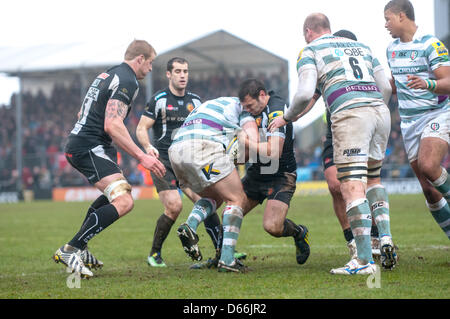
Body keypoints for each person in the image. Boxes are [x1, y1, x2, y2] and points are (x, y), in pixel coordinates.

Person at [269, 13, 396, 275]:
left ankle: (363, 261)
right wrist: (375, 107)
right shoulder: (363, 47)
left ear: (308, 31)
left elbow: (304, 93)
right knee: (373, 178)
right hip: (380, 113)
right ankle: (385, 239)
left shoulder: (310, 49)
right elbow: (384, 85)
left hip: (351, 114)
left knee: (350, 186)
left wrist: (286, 117)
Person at [52, 40, 166, 278]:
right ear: (140, 60)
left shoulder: (108, 74)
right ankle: (71, 249)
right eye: (151, 62)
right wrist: (141, 156)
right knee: (124, 201)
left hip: (87, 143)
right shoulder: (127, 80)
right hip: (89, 145)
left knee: (118, 192)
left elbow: (82, 112)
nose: (151, 68)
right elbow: (112, 123)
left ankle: (79, 249)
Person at [136, 57, 223, 267]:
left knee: (207, 201)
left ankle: (224, 249)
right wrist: (148, 147)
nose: (183, 75)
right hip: (164, 162)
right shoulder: (159, 99)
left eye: (185, 71)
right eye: (178, 71)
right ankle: (154, 254)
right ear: (168, 74)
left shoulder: (196, 101)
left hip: (188, 162)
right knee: (174, 206)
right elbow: (141, 128)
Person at [384, 0, 450, 239]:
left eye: (387, 18)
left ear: (402, 16)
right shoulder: (391, 49)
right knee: (428, 190)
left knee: (429, 165)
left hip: (437, 114)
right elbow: (395, 85)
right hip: (409, 123)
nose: (385, 25)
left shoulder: (430, 44)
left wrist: (427, 84)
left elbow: (448, 82)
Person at [169, 97, 257, 273]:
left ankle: (190, 225)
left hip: (176, 151)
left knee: (213, 197)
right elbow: (252, 139)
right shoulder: (245, 108)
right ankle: (227, 259)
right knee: (237, 199)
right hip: (202, 147)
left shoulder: (211, 104)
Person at [236, 79, 311, 266]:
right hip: (256, 174)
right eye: (245, 107)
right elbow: (244, 157)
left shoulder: (277, 109)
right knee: (231, 213)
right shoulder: (248, 113)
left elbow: (274, 152)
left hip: (281, 175)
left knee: (273, 227)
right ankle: (224, 257)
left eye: (250, 105)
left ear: (262, 95)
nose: (248, 110)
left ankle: (299, 232)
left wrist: (246, 143)